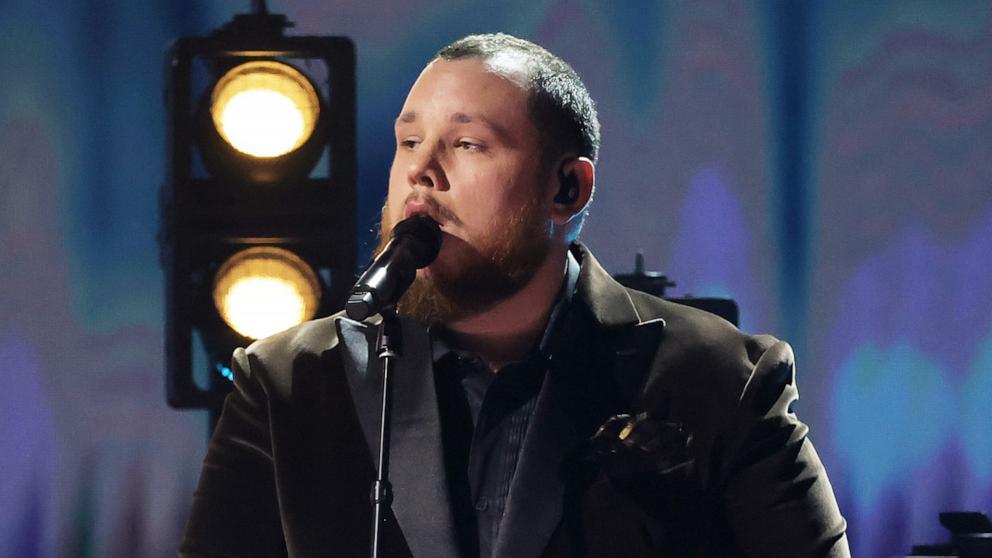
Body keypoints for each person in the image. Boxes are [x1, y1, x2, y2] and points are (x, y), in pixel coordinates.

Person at [179, 33, 849, 558]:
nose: (421, 172)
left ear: (567, 189)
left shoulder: (723, 379)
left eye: (468, 144)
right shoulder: (288, 380)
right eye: (408, 141)